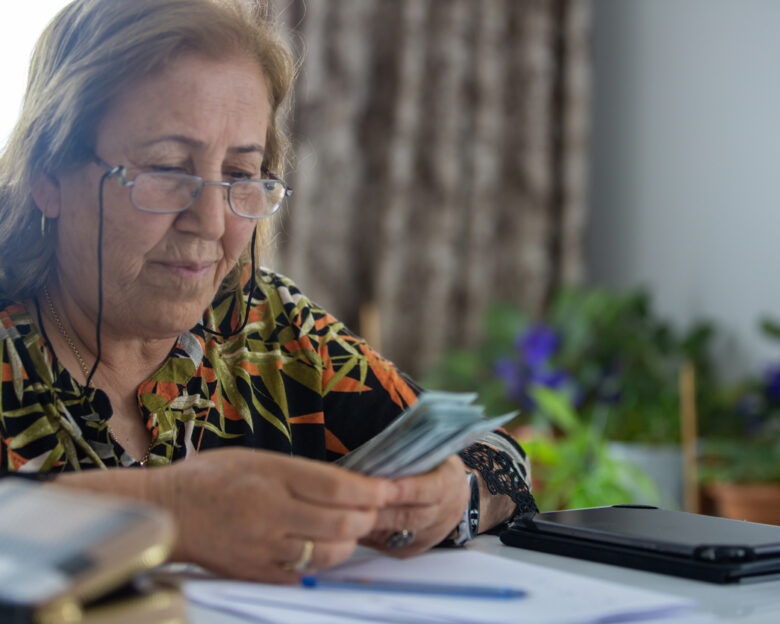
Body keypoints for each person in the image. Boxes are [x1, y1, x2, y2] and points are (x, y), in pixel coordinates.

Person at [0, 0, 535, 583]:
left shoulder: (272, 330)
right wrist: (172, 510)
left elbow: (494, 453)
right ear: (47, 177)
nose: (209, 221)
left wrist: (451, 497)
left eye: (238, 176)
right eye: (167, 167)